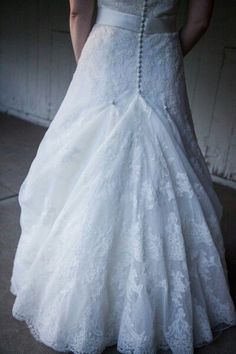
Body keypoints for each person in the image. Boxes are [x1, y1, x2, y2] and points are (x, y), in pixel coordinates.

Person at [10, 1, 236, 353]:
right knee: (169, 162)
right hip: (163, 54)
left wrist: (88, 63)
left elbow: (77, 11)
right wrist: (166, 47)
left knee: (84, 162)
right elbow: (200, 21)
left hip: (106, 51)